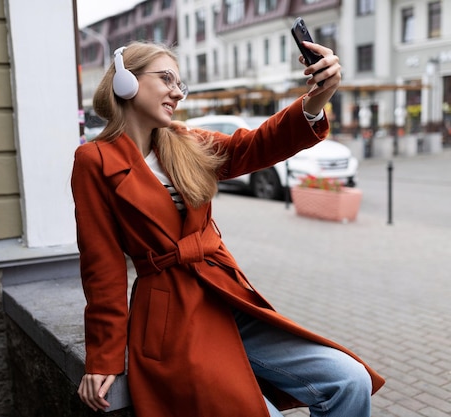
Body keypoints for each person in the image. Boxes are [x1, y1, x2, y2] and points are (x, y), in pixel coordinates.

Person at [71, 40, 385, 417]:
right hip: (172, 319)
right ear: (126, 81)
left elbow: (255, 145)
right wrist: (103, 357)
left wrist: (316, 99)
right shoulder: (94, 161)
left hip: (224, 294)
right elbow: (100, 267)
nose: (176, 91)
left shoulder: (186, 141)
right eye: (166, 78)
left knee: (350, 380)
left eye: (180, 84)